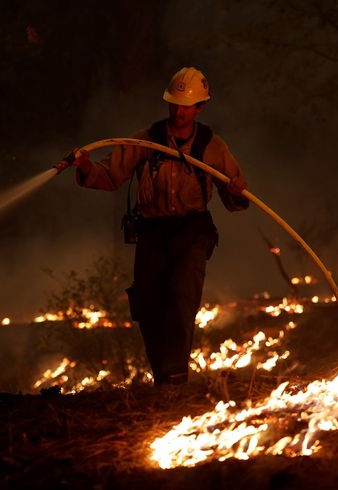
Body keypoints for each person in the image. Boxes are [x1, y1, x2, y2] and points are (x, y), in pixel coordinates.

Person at [60, 67, 249, 386]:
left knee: (181, 297)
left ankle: (175, 378)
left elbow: (236, 195)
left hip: (192, 232)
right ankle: (163, 378)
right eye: (174, 104)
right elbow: (110, 176)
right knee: (148, 305)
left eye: (186, 106)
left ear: (200, 107)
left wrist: (236, 192)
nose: (178, 111)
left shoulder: (212, 146)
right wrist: (86, 167)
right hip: (152, 232)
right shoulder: (145, 141)